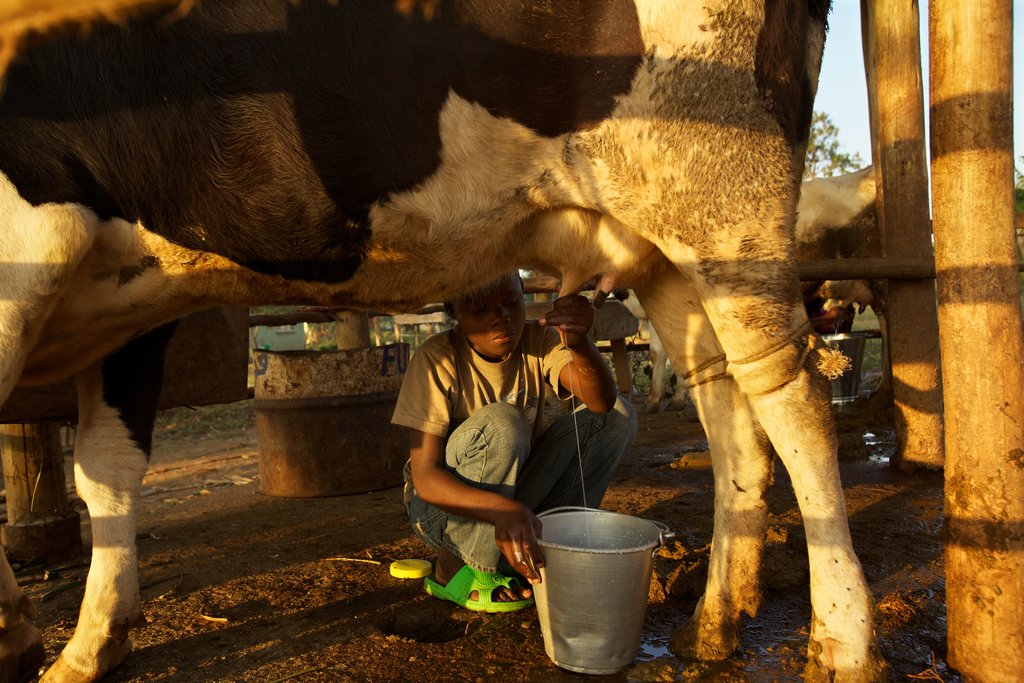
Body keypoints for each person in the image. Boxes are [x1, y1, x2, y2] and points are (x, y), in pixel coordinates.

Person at [391, 270, 637, 612]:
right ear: (453, 311)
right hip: (442, 515)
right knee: (504, 421)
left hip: (514, 503)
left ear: (523, 293)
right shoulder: (436, 359)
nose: (501, 317)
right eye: (480, 309)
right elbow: (426, 478)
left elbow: (602, 402)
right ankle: (454, 566)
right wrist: (502, 509)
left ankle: (552, 540)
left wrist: (580, 344)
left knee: (617, 415)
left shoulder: (539, 341)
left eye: (510, 302)